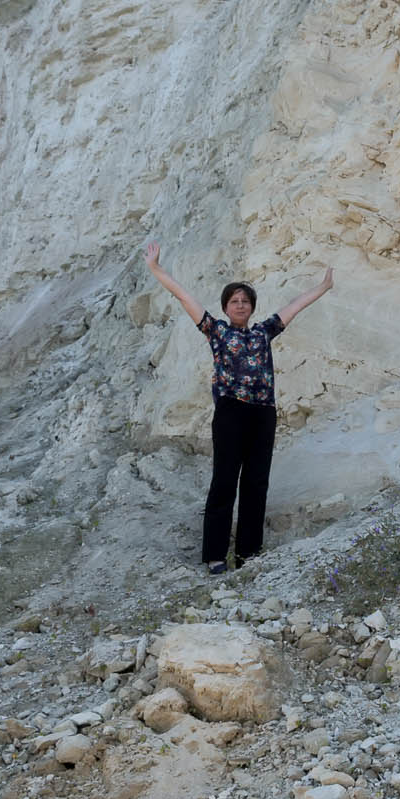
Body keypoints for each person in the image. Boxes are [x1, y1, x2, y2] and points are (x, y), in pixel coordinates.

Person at [143, 242, 333, 573]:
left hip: (263, 413)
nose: (241, 304)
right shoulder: (215, 331)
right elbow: (185, 297)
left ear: (252, 307)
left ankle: (249, 554)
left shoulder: (264, 332)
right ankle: (216, 556)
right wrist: (157, 269)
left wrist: (323, 286)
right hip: (231, 412)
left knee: (257, 482)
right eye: (235, 301)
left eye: (246, 301)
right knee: (225, 481)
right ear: (226, 307)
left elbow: (295, 305)